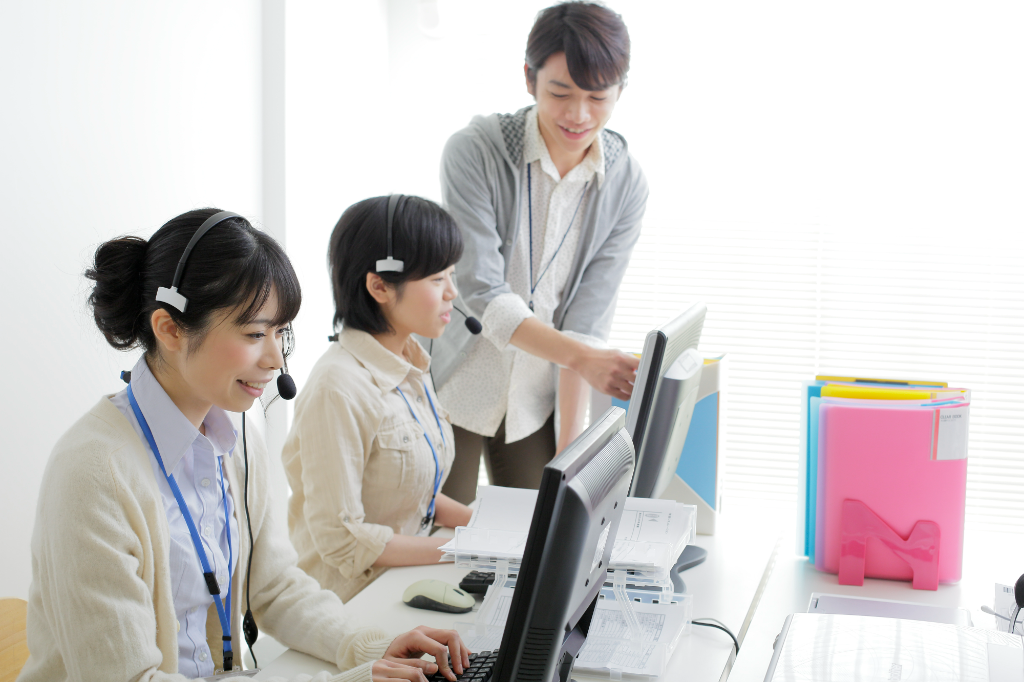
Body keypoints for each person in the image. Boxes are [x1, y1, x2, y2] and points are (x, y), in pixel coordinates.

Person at [18, 208, 469, 682]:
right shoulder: (92, 472)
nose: (276, 359)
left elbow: (273, 587)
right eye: (255, 334)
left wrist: (368, 646)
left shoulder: (235, 439)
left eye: (280, 333)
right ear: (169, 328)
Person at [432, 1, 649, 504]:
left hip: (536, 394)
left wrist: (572, 453)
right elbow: (481, 289)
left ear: (620, 91)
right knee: (442, 544)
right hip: (455, 382)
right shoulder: (475, 151)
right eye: (560, 92)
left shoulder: (626, 183)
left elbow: (586, 320)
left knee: (539, 534)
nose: (578, 115)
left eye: (598, 97)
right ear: (528, 79)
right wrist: (585, 357)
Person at [283, 196, 474, 604]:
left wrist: (490, 531)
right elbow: (343, 540)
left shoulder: (409, 365)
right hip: (352, 602)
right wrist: (465, 551)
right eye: (437, 279)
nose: (452, 294)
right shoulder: (338, 388)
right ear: (380, 286)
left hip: (404, 580)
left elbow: (409, 491)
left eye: (451, 275)